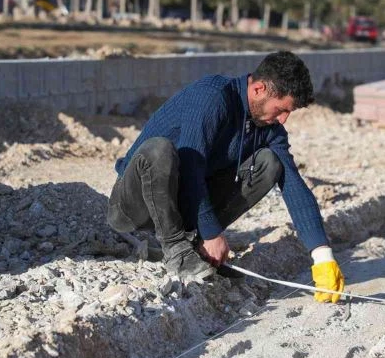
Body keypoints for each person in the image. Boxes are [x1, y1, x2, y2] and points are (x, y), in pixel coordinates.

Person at [106, 51, 345, 303]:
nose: (284, 119)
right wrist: (212, 232)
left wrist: (323, 257)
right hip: (135, 205)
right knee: (159, 150)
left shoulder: (268, 128)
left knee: (270, 163)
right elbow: (190, 166)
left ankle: (196, 247)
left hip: (182, 205)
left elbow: (294, 185)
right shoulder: (213, 97)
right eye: (281, 109)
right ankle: (177, 250)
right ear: (259, 89)